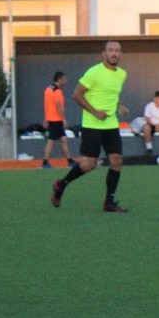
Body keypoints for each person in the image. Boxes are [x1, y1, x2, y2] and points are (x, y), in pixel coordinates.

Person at [49, 40, 128, 213]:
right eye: (110, 50)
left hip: (111, 124)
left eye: (117, 50)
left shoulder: (122, 74)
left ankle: (109, 203)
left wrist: (119, 106)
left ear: (120, 54)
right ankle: (61, 184)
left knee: (116, 161)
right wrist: (95, 112)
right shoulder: (94, 72)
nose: (114, 53)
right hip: (92, 125)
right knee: (90, 164)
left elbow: (111, 94)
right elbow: (76, 95)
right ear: (104, 54)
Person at [40, 72, 75, 168]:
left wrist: (45, 118)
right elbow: (58, 105)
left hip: (51, 118)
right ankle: (44, 163)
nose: (65, 81)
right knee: (51, 141)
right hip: (56, 119)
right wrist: (64, 119)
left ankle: (70, 161)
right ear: (59, 80)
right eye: (64, 79)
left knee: (63, 139)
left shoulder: (48, 89)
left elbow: (46, 104)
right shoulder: (57, 91)